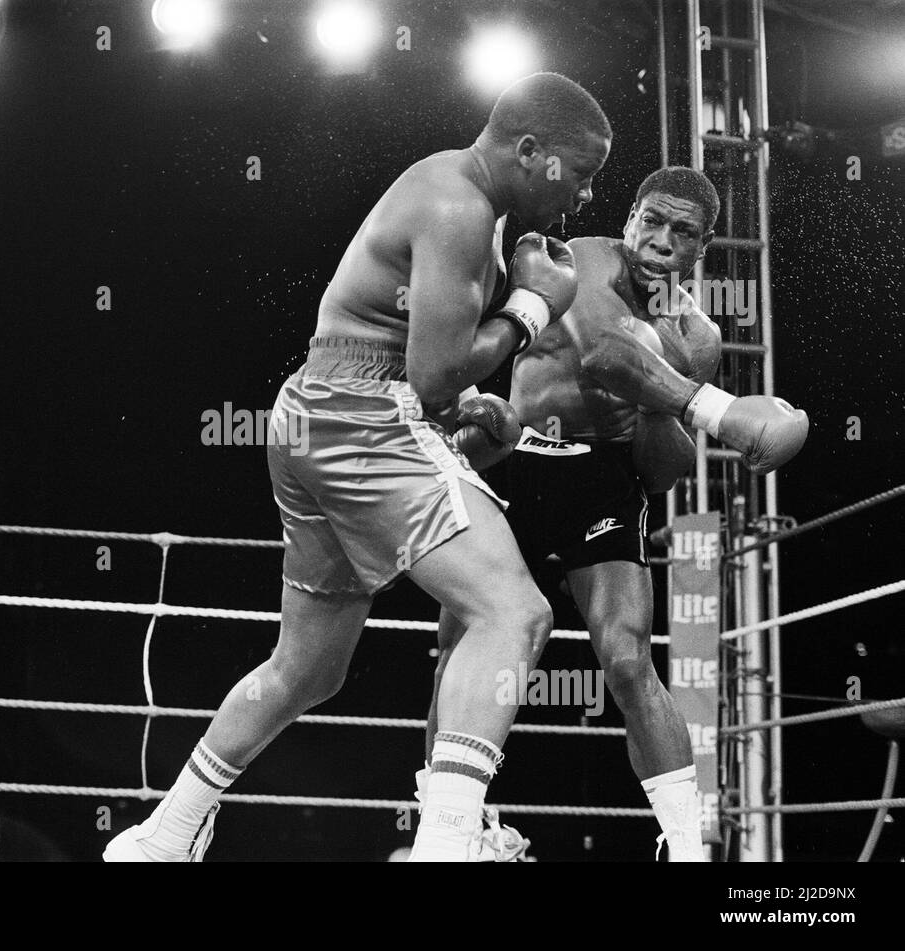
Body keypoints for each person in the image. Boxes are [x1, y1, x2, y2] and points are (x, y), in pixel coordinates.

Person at [105, 72, 612, 862]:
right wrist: (533, 308)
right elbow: (430, 374)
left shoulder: (458, 195)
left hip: (318, 412)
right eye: (580, 174)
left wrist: (468, 407)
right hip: (359, 416)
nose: (583, 197)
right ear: (529, 150)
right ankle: (447, 844)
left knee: (306, 669)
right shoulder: (457, 206)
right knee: (515, 612)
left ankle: (163, 835)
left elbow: (421, 367)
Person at [427, 166, 808, 860]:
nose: (661, 241)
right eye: (652, 221)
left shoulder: (699, 334)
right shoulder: (571, 261)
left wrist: (665, 378)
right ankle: (458, 832)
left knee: (629, 659)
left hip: (601, 479)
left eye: (681, 232)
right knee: (461, 648)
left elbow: (660, 470)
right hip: (513, 456)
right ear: (631, 215)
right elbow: (581, 352)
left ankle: (687, 845)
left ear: (703, 245)